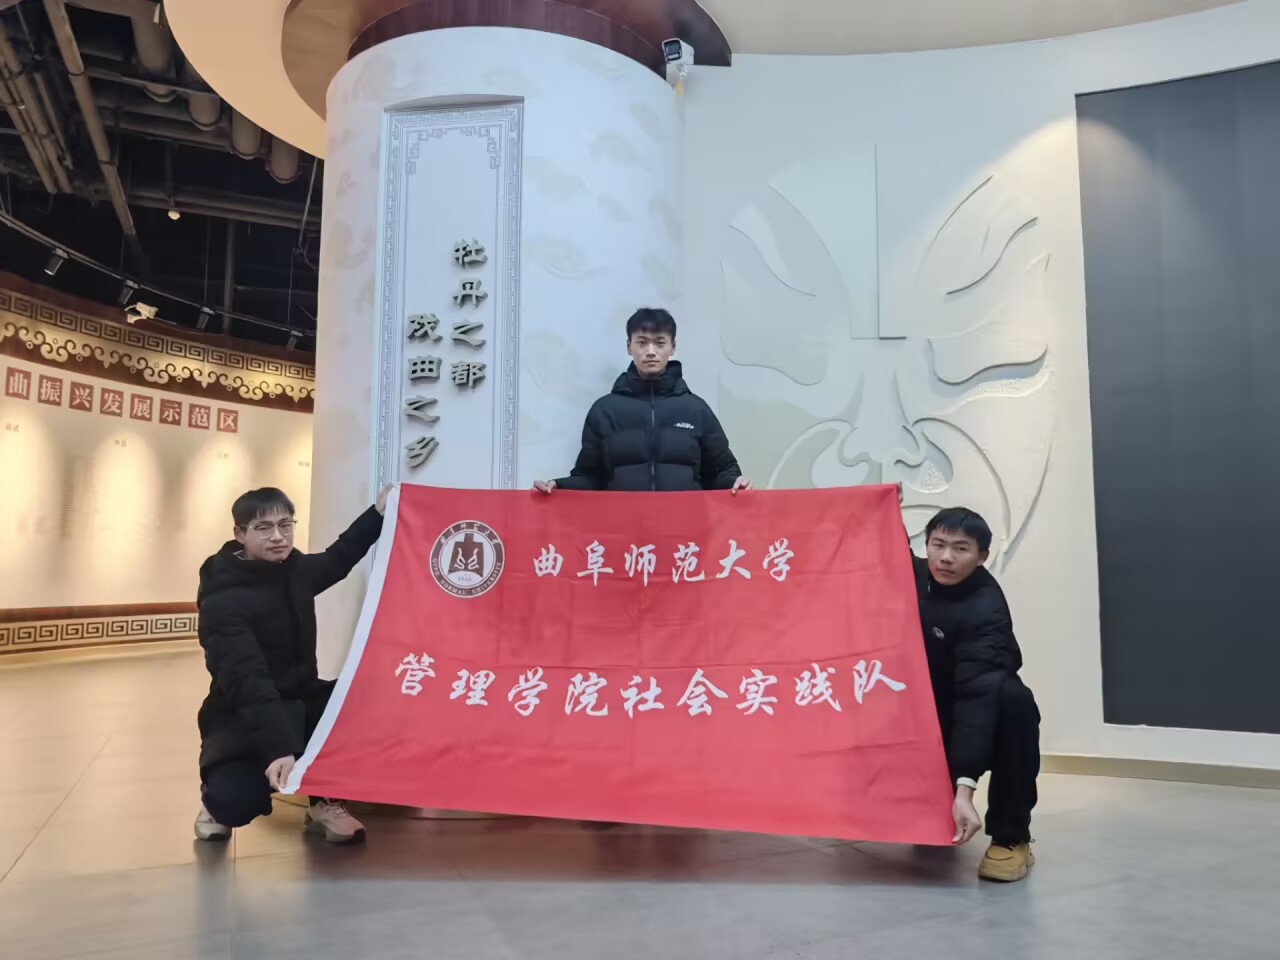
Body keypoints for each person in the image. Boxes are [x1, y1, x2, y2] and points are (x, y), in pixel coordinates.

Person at [194, 484, 391, 844]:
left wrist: (377, 514)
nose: (278, 536)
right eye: (263, 527)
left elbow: (338, 558)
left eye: (285, 525)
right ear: (240, 533)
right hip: (241, 716)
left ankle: (324, 800)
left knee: (362, 702)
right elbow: (248, 681)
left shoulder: (294, 570)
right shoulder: (222, 599)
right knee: (234, 801)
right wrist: (277, 749)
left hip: (301, 701)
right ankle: (213, 803)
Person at [912, 506, 1040, 882]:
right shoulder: (912, 575)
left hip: (969, 704)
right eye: (938, 544)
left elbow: (977, 696)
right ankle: (918, 809)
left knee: (1013, 701)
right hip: (920, 701)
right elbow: (871, 542)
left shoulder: (986, 609)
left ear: (982, 556)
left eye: (961, 548)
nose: (946, 557)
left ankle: (1011, 837)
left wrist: (964, 786)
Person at [534, 307, 752, 495]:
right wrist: (559, 486)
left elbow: (722, 470)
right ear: (629, 347)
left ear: (673, 347)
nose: (651, 352)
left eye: (659, 343)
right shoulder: (605, 411)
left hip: (684, 526)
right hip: (623, 526)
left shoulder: (696, 409)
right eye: (642, 343)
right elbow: (590, 476)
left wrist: (735, 482)